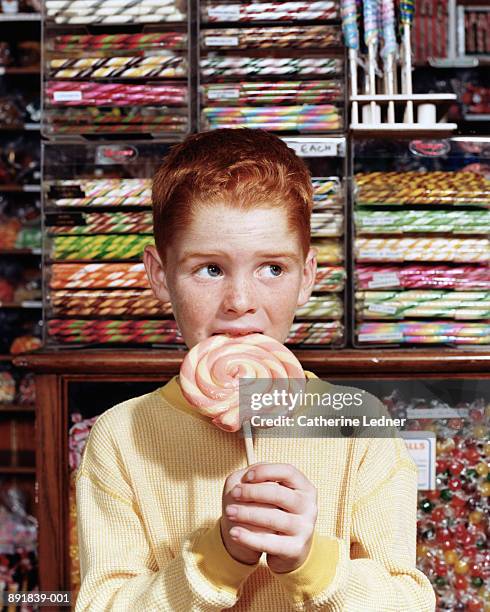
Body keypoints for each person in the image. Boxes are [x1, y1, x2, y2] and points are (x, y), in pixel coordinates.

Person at [75, 128, 436, 611]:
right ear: (160, 276)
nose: (240, 303)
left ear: (307, 277)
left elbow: (406, 603)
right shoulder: (121, 437)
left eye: (272, 268)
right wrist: (218, 557)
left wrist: (312, 561)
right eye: (210, 269)